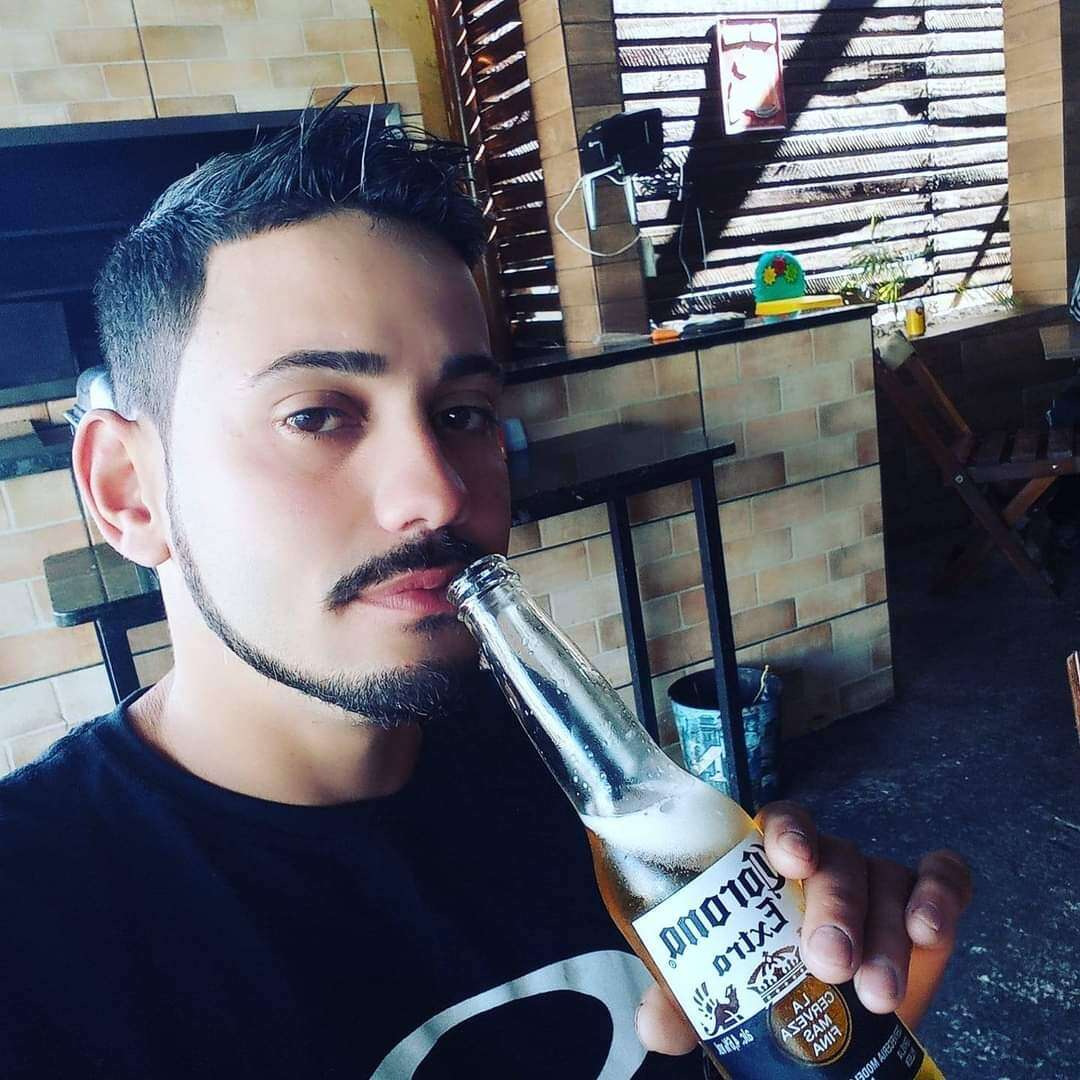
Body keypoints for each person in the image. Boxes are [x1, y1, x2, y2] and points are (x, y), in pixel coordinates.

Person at [0, 99, 972, 1078]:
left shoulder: (558, 782)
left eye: (462, 411)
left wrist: (825, 1042)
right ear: (129, 491)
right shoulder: (36, 943)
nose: (437, 492)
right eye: (316, 415)